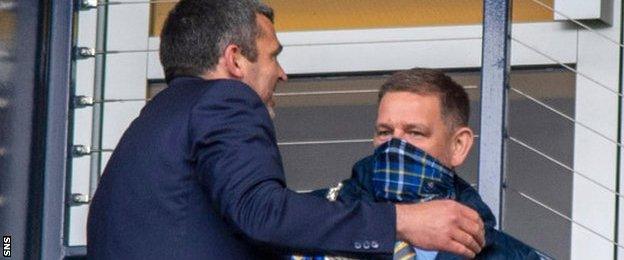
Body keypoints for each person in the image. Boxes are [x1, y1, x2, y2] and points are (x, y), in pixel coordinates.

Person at [86, 1, 485, 259]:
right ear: (235, 60)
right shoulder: (226, 100)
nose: (282, 73)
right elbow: (262, 212)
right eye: (273, 56)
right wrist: (402, 221)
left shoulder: (155, 120)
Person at [295, 68, 550, 259]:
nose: (394, 146)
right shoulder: (314, 220)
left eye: (415, 132)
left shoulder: (511, 256)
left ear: (458, 146)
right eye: (385, 132)